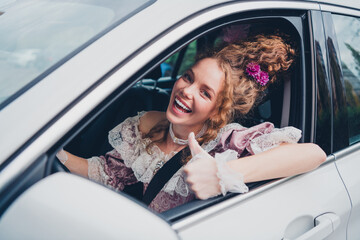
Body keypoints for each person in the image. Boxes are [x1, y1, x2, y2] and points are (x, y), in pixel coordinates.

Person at [56, 34, 326, 213]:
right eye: (188, 77)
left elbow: (314, 154)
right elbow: (108, 174)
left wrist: (224, 173)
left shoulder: (227, 143)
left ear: (219, 109)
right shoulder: (146, 123)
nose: (186, 90)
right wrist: (56, 155)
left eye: (205, 92)